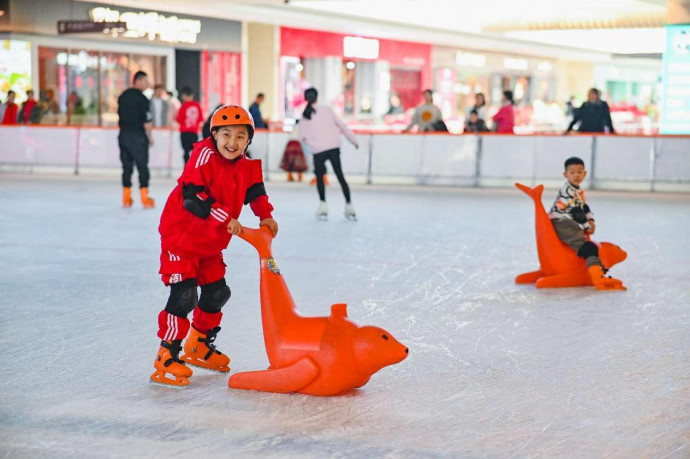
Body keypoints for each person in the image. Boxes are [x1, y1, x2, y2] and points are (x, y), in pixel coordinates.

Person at [151, 105, 278, 387]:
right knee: (185, 296)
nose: (232, 143)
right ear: (214, 135)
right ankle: (167, 354)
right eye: (226, 135)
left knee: (218, 292)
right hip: (181, 237)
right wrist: (227, 218)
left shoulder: (247, 165)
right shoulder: (203, 154)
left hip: (210, 240)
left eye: (240, 137)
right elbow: (193, 197)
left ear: (248, 140)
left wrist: (266, 215)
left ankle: (198, 344)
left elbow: (255, 192)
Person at [549, 157, 625, 290]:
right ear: (565, 174)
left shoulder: (578, 191)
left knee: (589, 246)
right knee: (589, 248)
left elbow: (584, 207)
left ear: (585, 173)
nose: (576, 175)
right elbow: (576, 211)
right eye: (572, 172)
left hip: (569, 220)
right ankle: (598, 278)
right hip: (562, 222)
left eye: (579, 172)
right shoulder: (567, 191)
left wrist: (591, 221)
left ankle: (598, 274)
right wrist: (587, 226)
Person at [298, 87, 359, 220]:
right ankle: (349, 207)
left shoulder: (305, 115)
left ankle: (323, 207)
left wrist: (311, 143)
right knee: (340, 176)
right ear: (317, 97)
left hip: (318, 151)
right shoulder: (327, 110)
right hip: (333, 149)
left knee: (320, 178)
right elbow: (343, 126)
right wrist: (354, 141)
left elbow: (302, 136)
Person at [118, 70, 155, 209]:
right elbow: (147, 120)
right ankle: (145, 198)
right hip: (138, 136)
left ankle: (126, 198)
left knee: (126, 167)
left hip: (123, 135)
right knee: (142, 166)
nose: (147, 84)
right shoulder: (143, 99)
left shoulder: (123, 96)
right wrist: (150, 136)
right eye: (145, 81)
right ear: (137, 81)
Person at [176, 87, 204, 164]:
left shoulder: (183, 106)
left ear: (184, 95)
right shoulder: (197, 106)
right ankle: (193, 168)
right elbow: (201, 119)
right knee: (194, 152)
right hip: (194, 132)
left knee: (186, 152)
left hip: (185, 132)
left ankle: (186, 168)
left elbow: (179, 119)